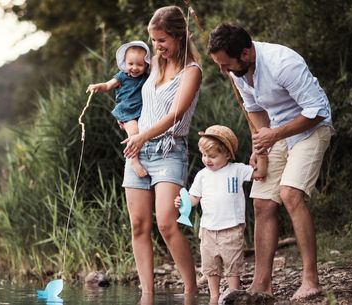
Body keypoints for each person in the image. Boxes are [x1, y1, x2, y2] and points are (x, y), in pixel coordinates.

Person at [207, 23, 334, 301]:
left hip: (312, 128)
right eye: (219, 65)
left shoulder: (283, 63)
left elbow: (317, 111)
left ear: (245, 53)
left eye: (226, 64)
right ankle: (262, 284)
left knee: (289, 194)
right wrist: (260, 146)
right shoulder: (238, 71)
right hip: (277, 132)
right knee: (262, 202)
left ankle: (310, 280)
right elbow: (255, 110)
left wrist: (274, 134)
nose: (223, 71)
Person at [120, 5, 202, 300]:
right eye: (154, 40)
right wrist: (130, 127)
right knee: (138, 225)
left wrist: (141, 136)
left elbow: (176, 114)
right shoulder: (152, 63)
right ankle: (147, 295)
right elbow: (127, 92)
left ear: (179, 36)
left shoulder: (192, 71)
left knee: (167, 223)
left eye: (162, 40)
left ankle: (191, 291)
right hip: (138, 151)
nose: (157, 47)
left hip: (170, 150)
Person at [173, 125, 253, 305]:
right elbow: (194, 197)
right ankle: (214, 296)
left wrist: (260, 154)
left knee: (233, 265)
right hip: (208, 229)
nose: (207, 160)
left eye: (213, 156)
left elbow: (258, 173)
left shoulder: (237, 170)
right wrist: (182, 202)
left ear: (227, 154)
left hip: (231, 228)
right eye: (204, 155)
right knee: (210, 267)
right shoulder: (202, 175)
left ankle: (233, 293)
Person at [87, 41, 151, 177]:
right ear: (125, 63)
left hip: (141, 111)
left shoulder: (147, 77)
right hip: (127, 111)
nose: (134, 68)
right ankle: (133, 160)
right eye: (130, 64)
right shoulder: (122, 76)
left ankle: (143, 156)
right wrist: (98, 86)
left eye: (140, 64)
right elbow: (108, 85)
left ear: (146, 64)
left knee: (143, 131)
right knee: (134, 133)